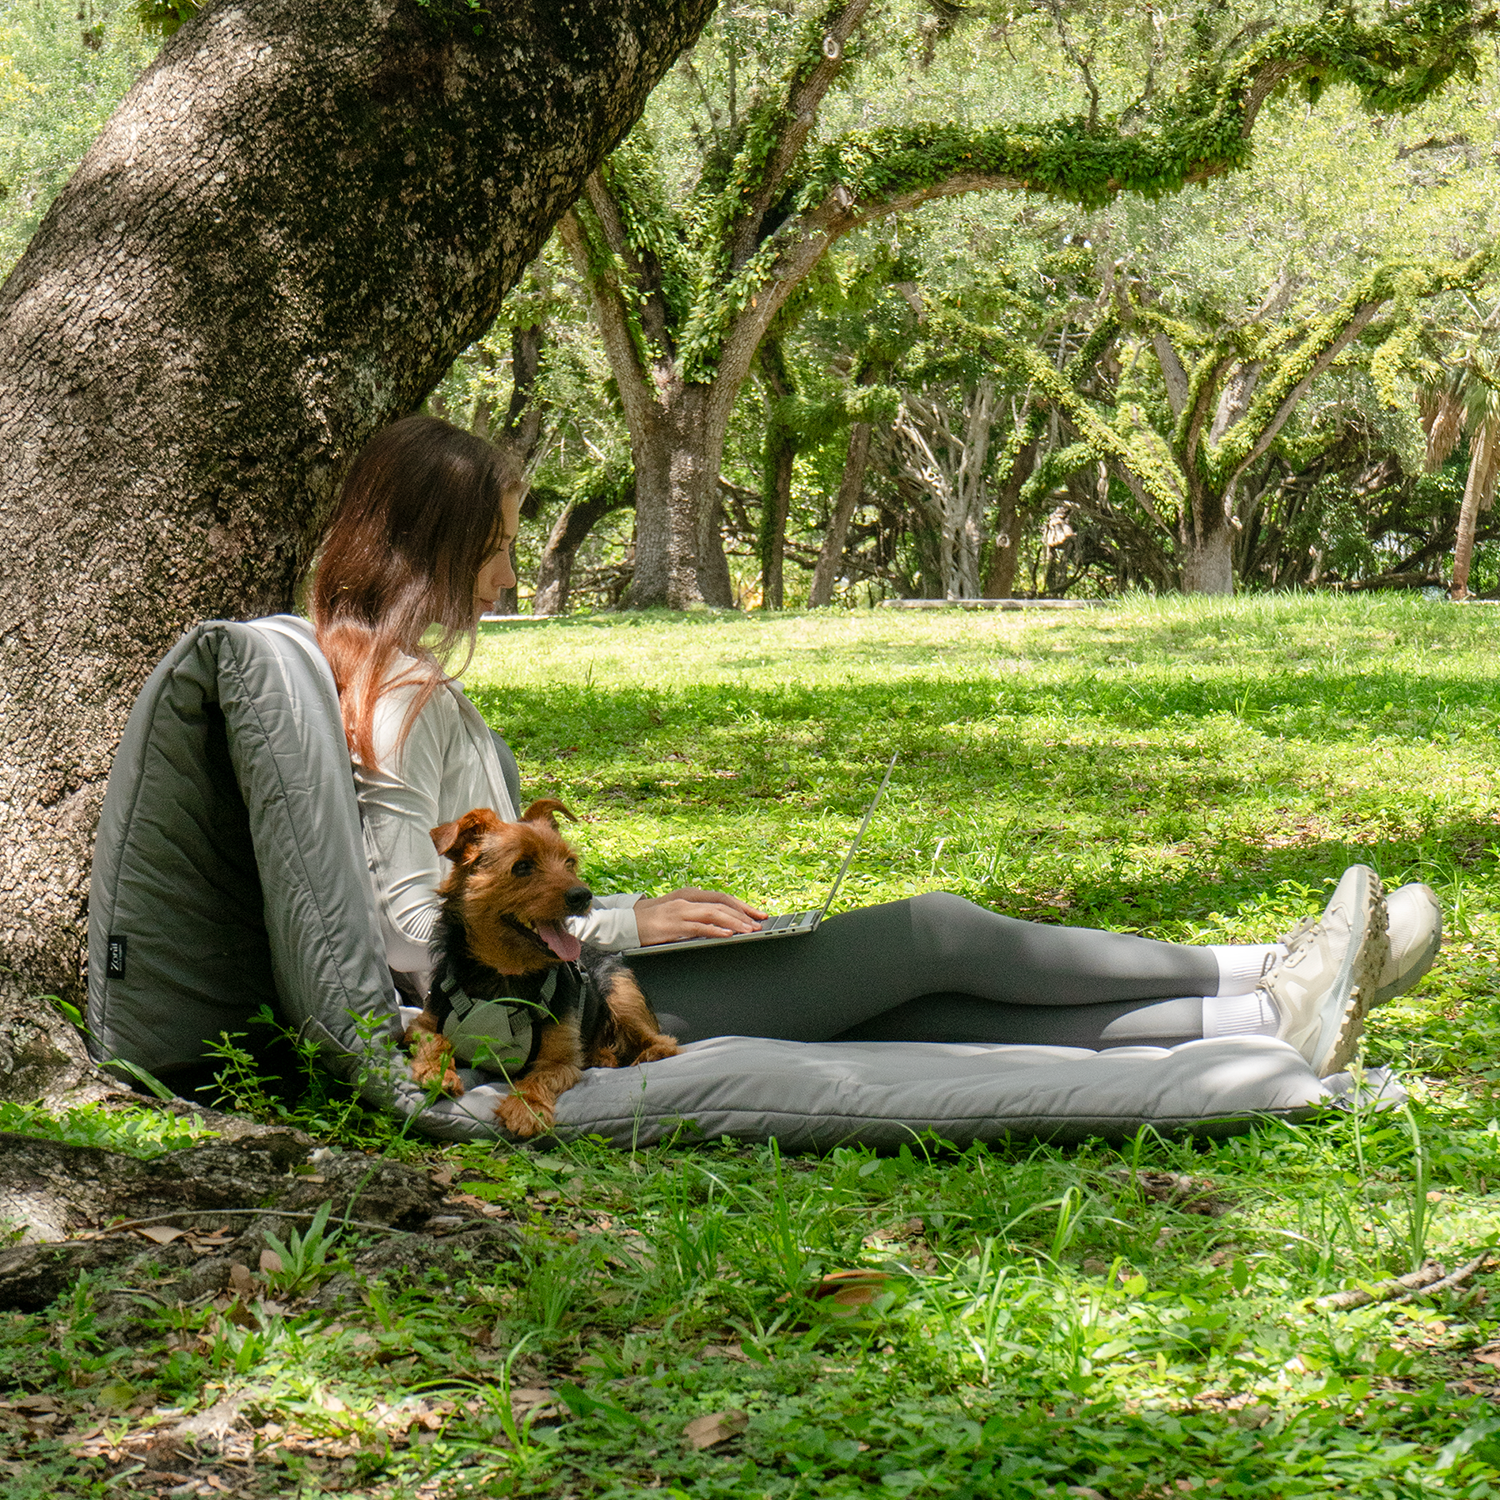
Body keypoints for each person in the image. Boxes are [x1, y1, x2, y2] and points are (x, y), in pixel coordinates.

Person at [311, 416, 1442, 1081]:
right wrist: (623, 925)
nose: (506, 576)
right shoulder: (396, 700)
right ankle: (1259, 968)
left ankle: (1268, 1015)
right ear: (431, 549)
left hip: (581, 976)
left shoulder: (399, 689)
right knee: (931, 932)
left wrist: (639, 910)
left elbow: (485, 899)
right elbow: (412, 939)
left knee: (919, 1009)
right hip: (574, 1008)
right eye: (495, 548)